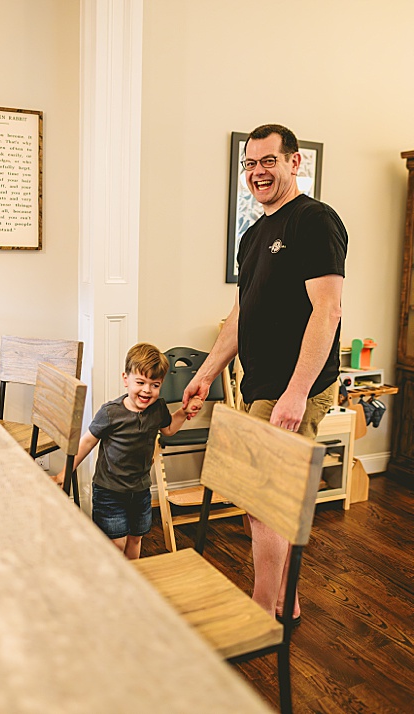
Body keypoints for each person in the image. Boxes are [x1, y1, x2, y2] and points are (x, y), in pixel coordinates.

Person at [182, 123, 346, 624]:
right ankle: (283, 599)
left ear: (295, 162)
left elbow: (328, 310)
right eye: (250, 164)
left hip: (296, 389)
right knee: (265, 500)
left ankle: (263, 610)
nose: (257, 172)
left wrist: (295, 394)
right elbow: (241, 315)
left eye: (268, 161)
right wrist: (207, 372)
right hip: (261, 387)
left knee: (266, 500)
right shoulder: (253, 235)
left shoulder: (313, 220)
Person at [56, 343, 188, 560]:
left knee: (136, 538)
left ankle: (132, 579)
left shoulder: (158, 409)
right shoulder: (110, 413)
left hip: (140, 490)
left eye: (155, 385)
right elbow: (87, 442)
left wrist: (183, 412)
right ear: (125, 379)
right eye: (140, 382)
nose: (147, 390)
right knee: (115, 543)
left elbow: (169, 429)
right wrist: (65, 473)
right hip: (109, 491)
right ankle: (114, 582)